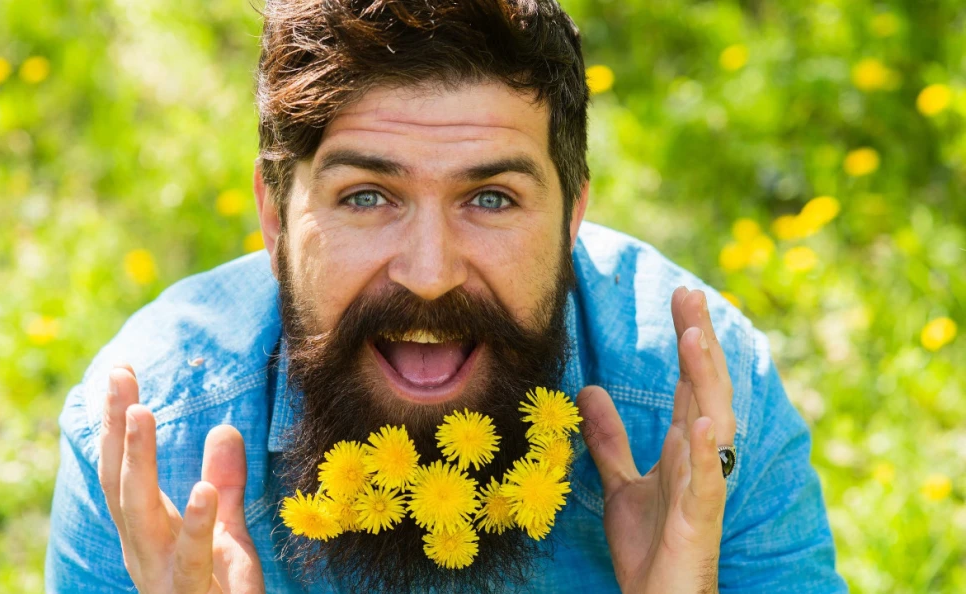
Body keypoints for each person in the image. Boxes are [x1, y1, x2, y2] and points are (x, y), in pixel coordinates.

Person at [44, 0, 846, 592]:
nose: (429, 273)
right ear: (275, 215)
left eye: (490, 198)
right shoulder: (152, 451)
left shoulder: (700, 417)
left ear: (572, 216)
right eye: (366, 197)